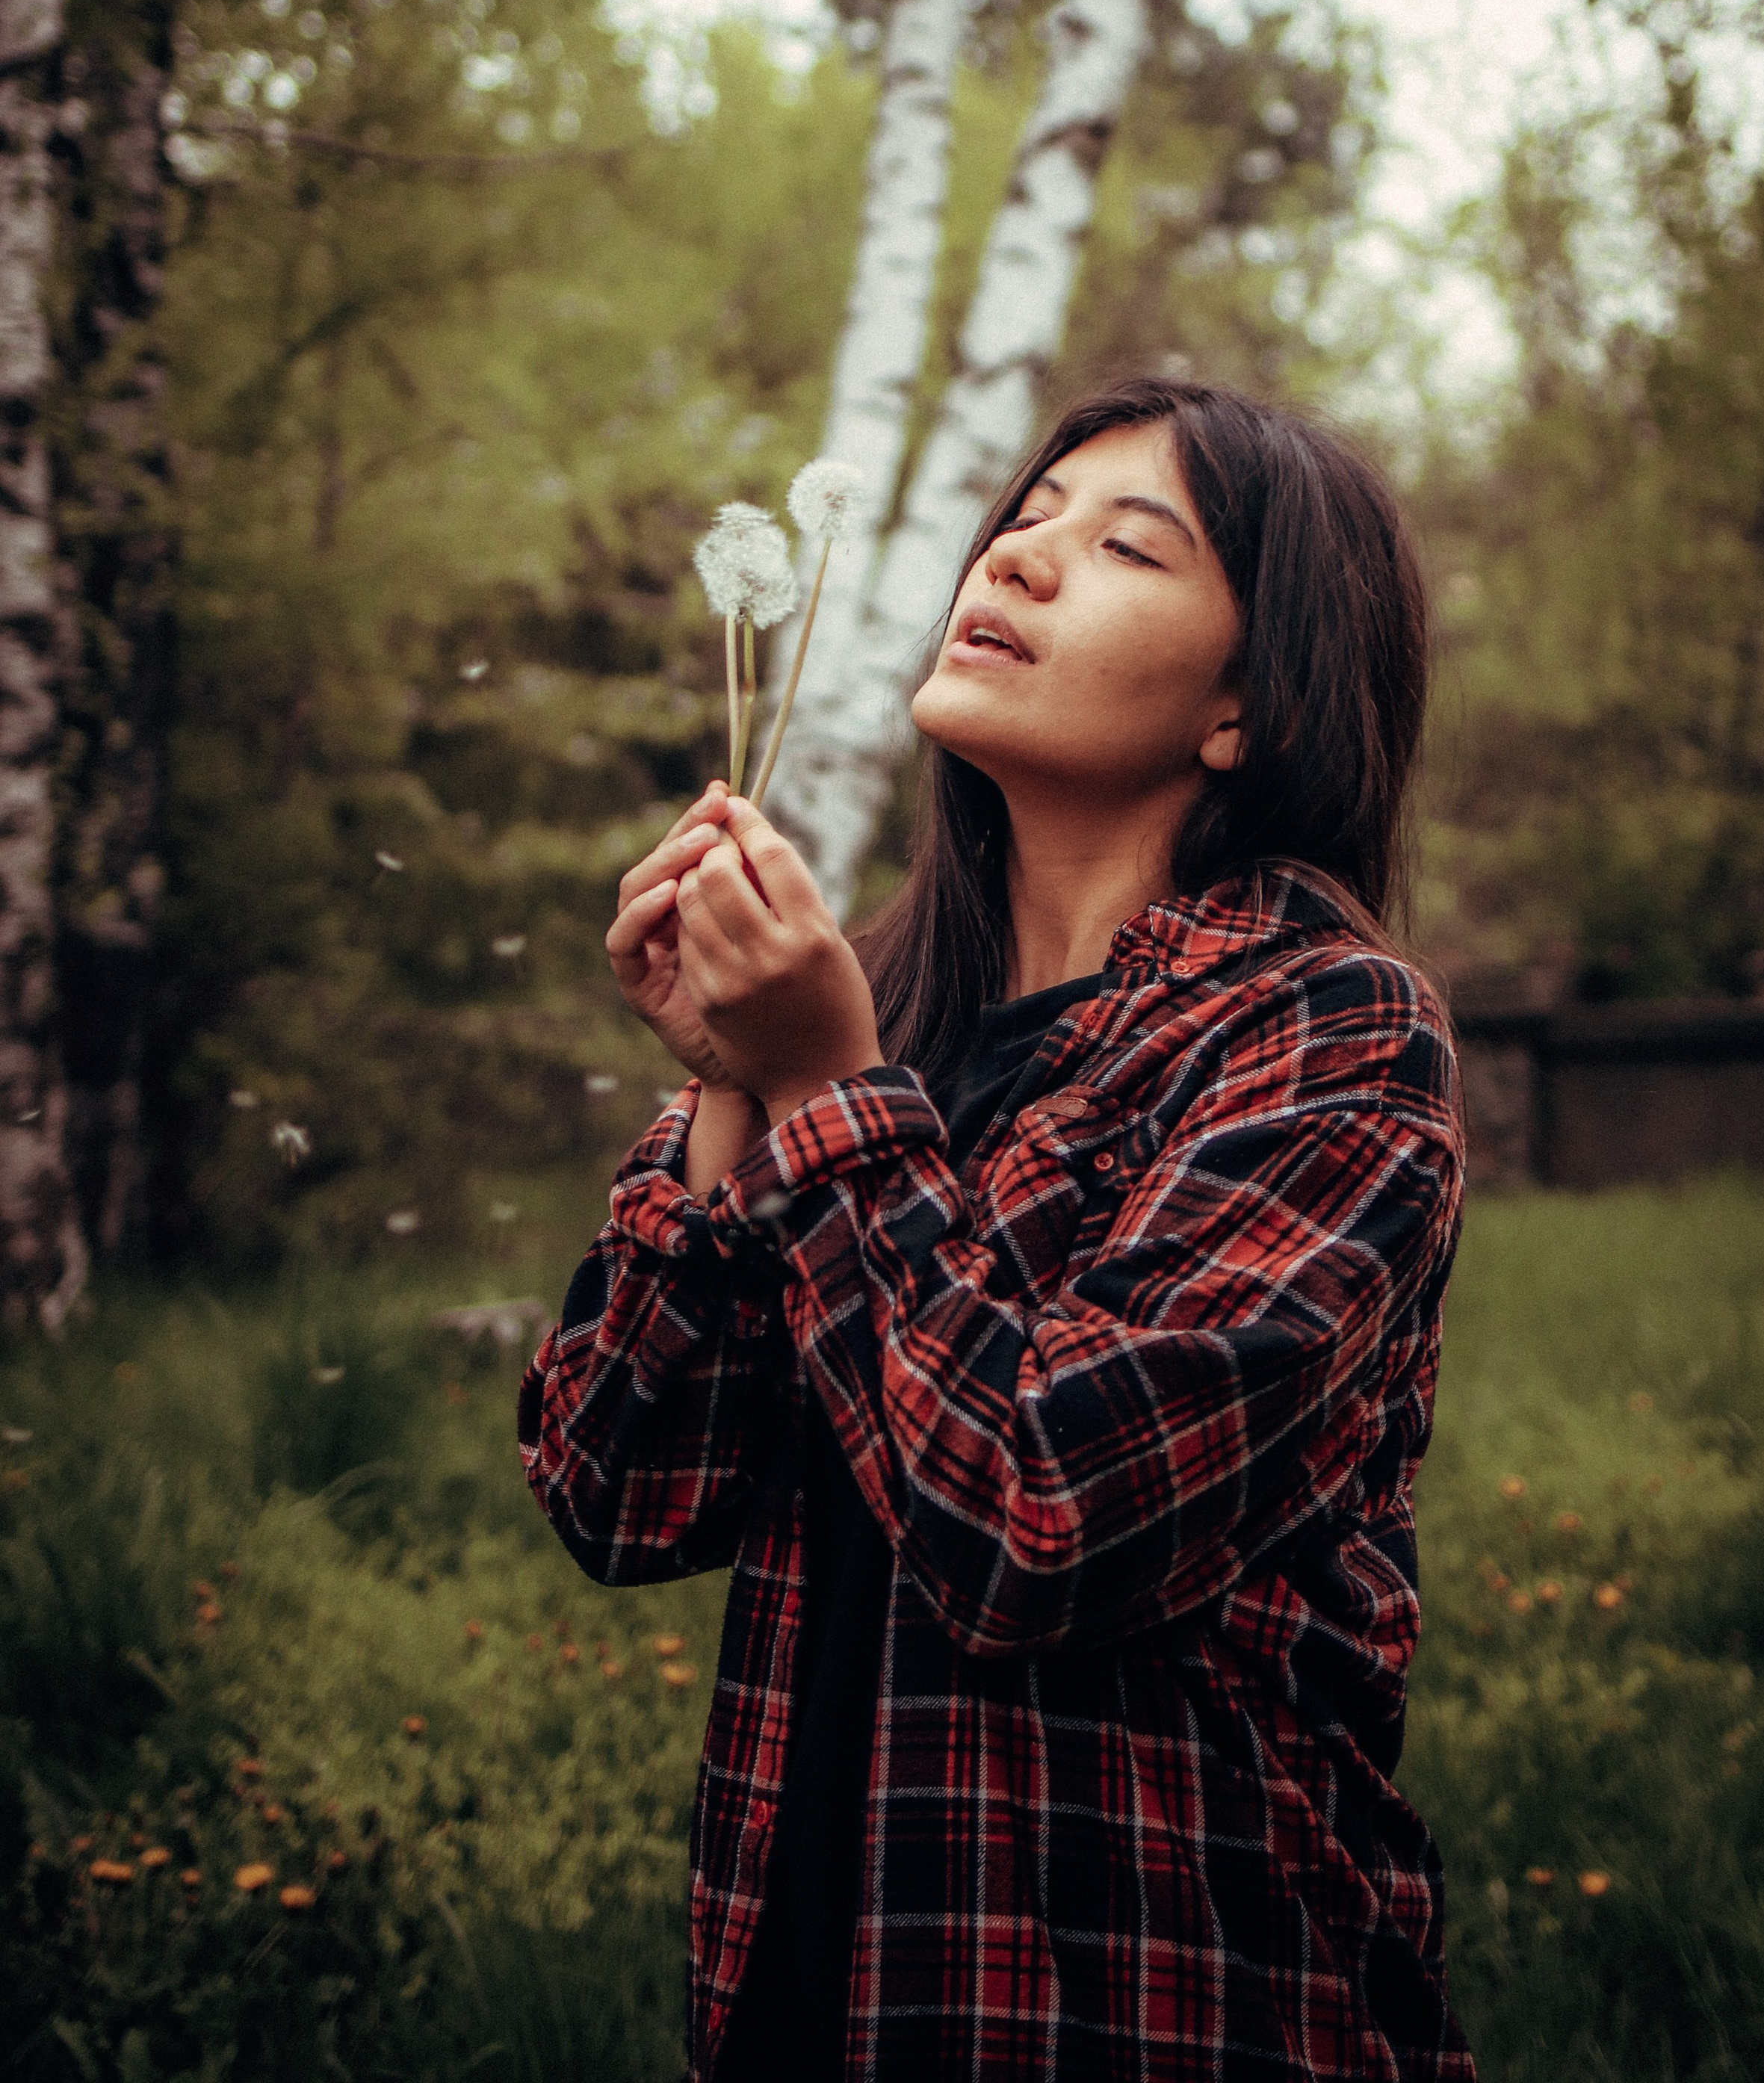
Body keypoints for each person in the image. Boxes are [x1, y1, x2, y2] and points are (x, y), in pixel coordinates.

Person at [519, 373, 1476, 2083]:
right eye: (1021, 519)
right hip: (810, 1996)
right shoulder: (881, 1028)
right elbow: (619, 1489)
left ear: (1244, 708)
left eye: (1123, 546)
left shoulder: (1326, 1033)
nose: (1018, 562)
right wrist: (730, 1090)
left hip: (1155, 2008)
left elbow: (1036, 1521)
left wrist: (817, 1095)